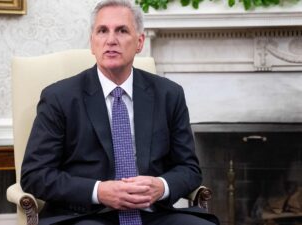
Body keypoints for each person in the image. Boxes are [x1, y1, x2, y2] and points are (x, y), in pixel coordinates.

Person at [21, 0, 219, 225]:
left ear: (139, 42)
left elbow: (189, 169)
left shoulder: (168, 94)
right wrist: (99, 191)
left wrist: (160, 187)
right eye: (102, 31)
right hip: (85, 215)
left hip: (153, 213)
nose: (111, 40)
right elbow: (35, 175)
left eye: (122, 30)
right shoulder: (60, 97)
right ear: (92, 43)